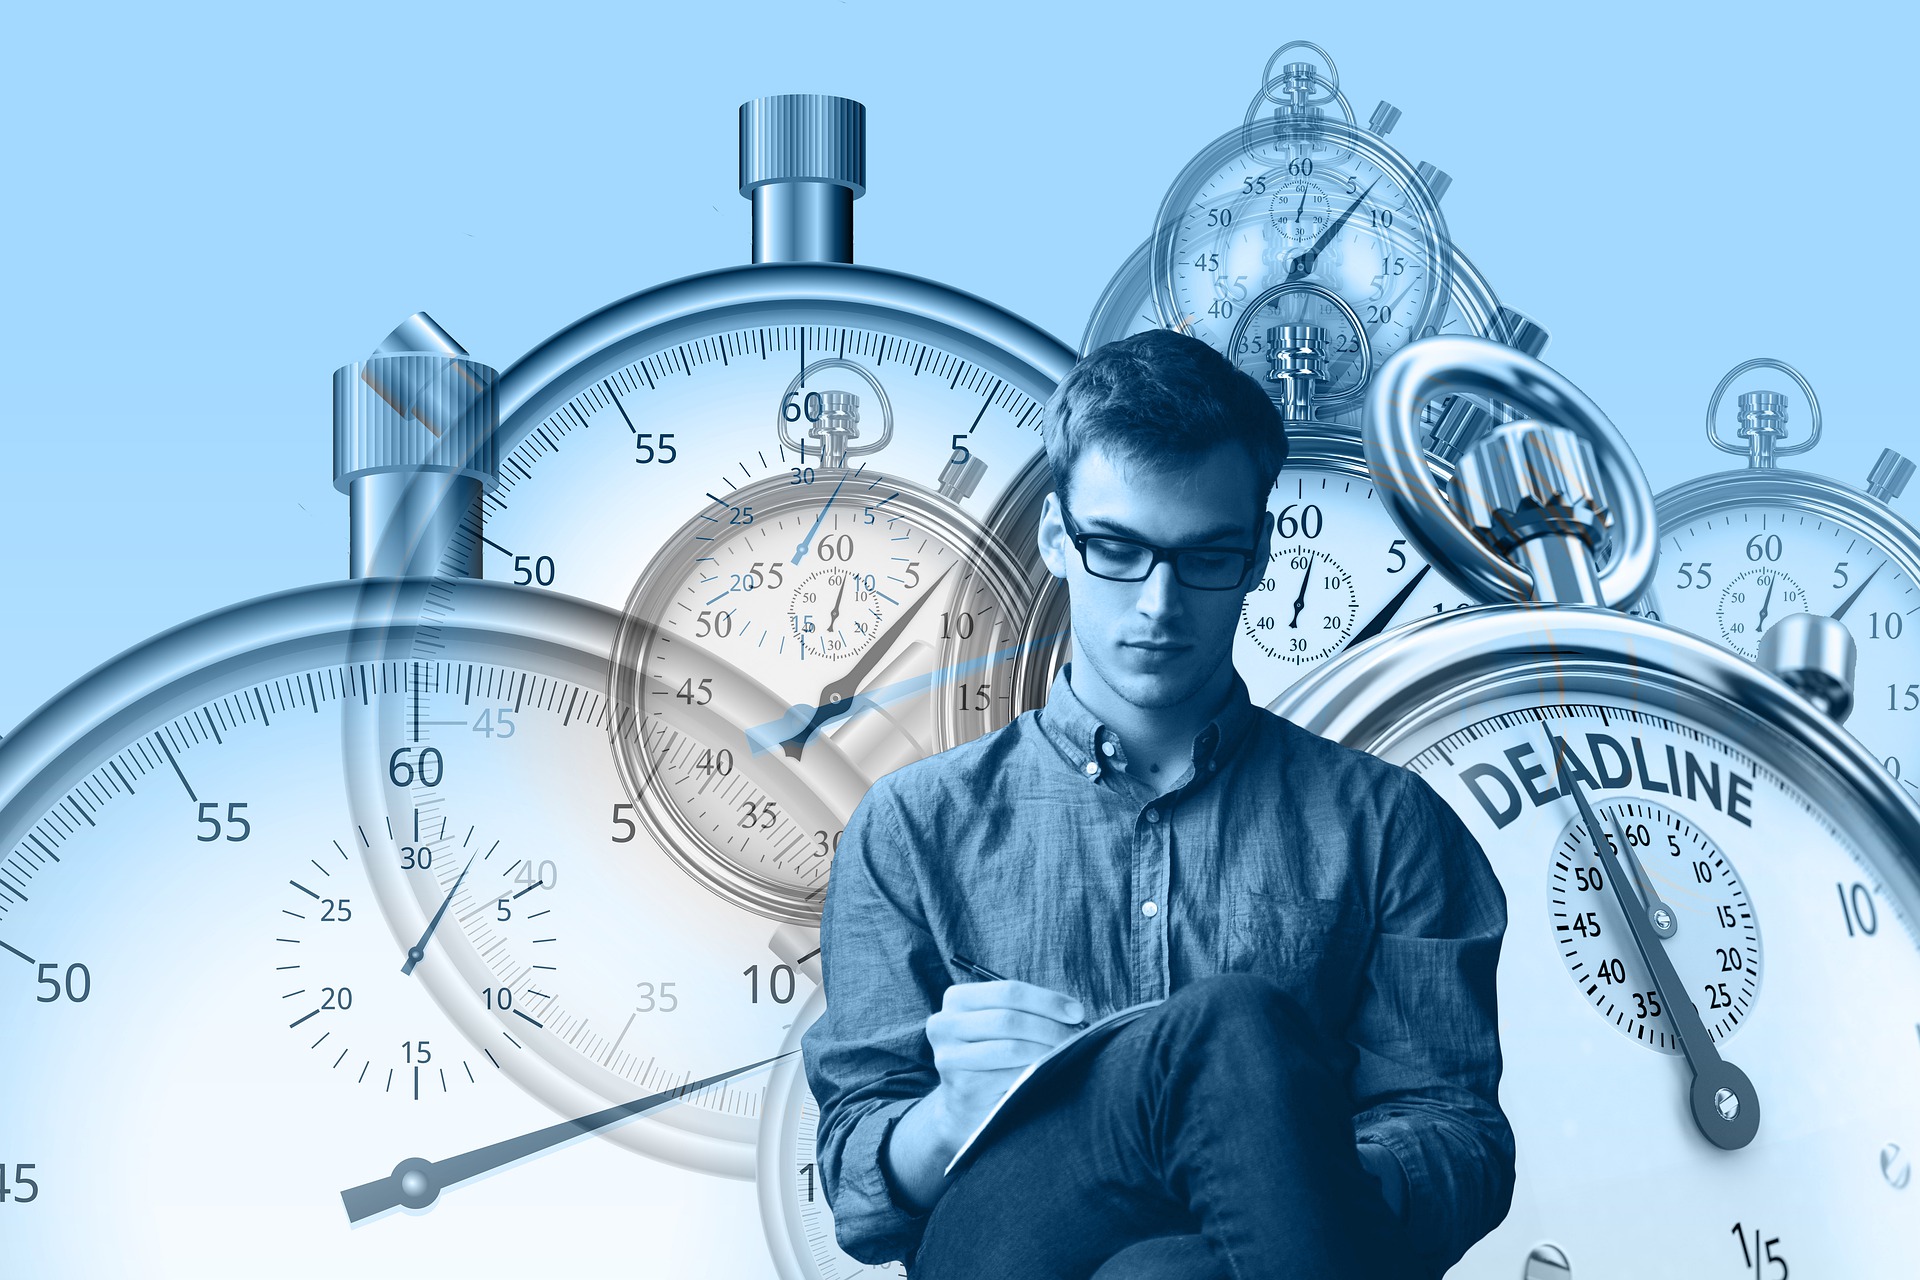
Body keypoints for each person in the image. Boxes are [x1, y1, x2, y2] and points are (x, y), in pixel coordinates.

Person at [802, 328, 1514, 1279]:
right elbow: (859, 1188)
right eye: (1119, 551)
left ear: (1259, 551)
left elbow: (1458, 1135)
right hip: (1010, 1244)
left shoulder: (1388, 825)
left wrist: (1282, 1165)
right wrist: (949, 1115)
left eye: (1205, 557)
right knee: (1234, 1030)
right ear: (1058, 538)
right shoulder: (914, 826)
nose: (1158, 604)